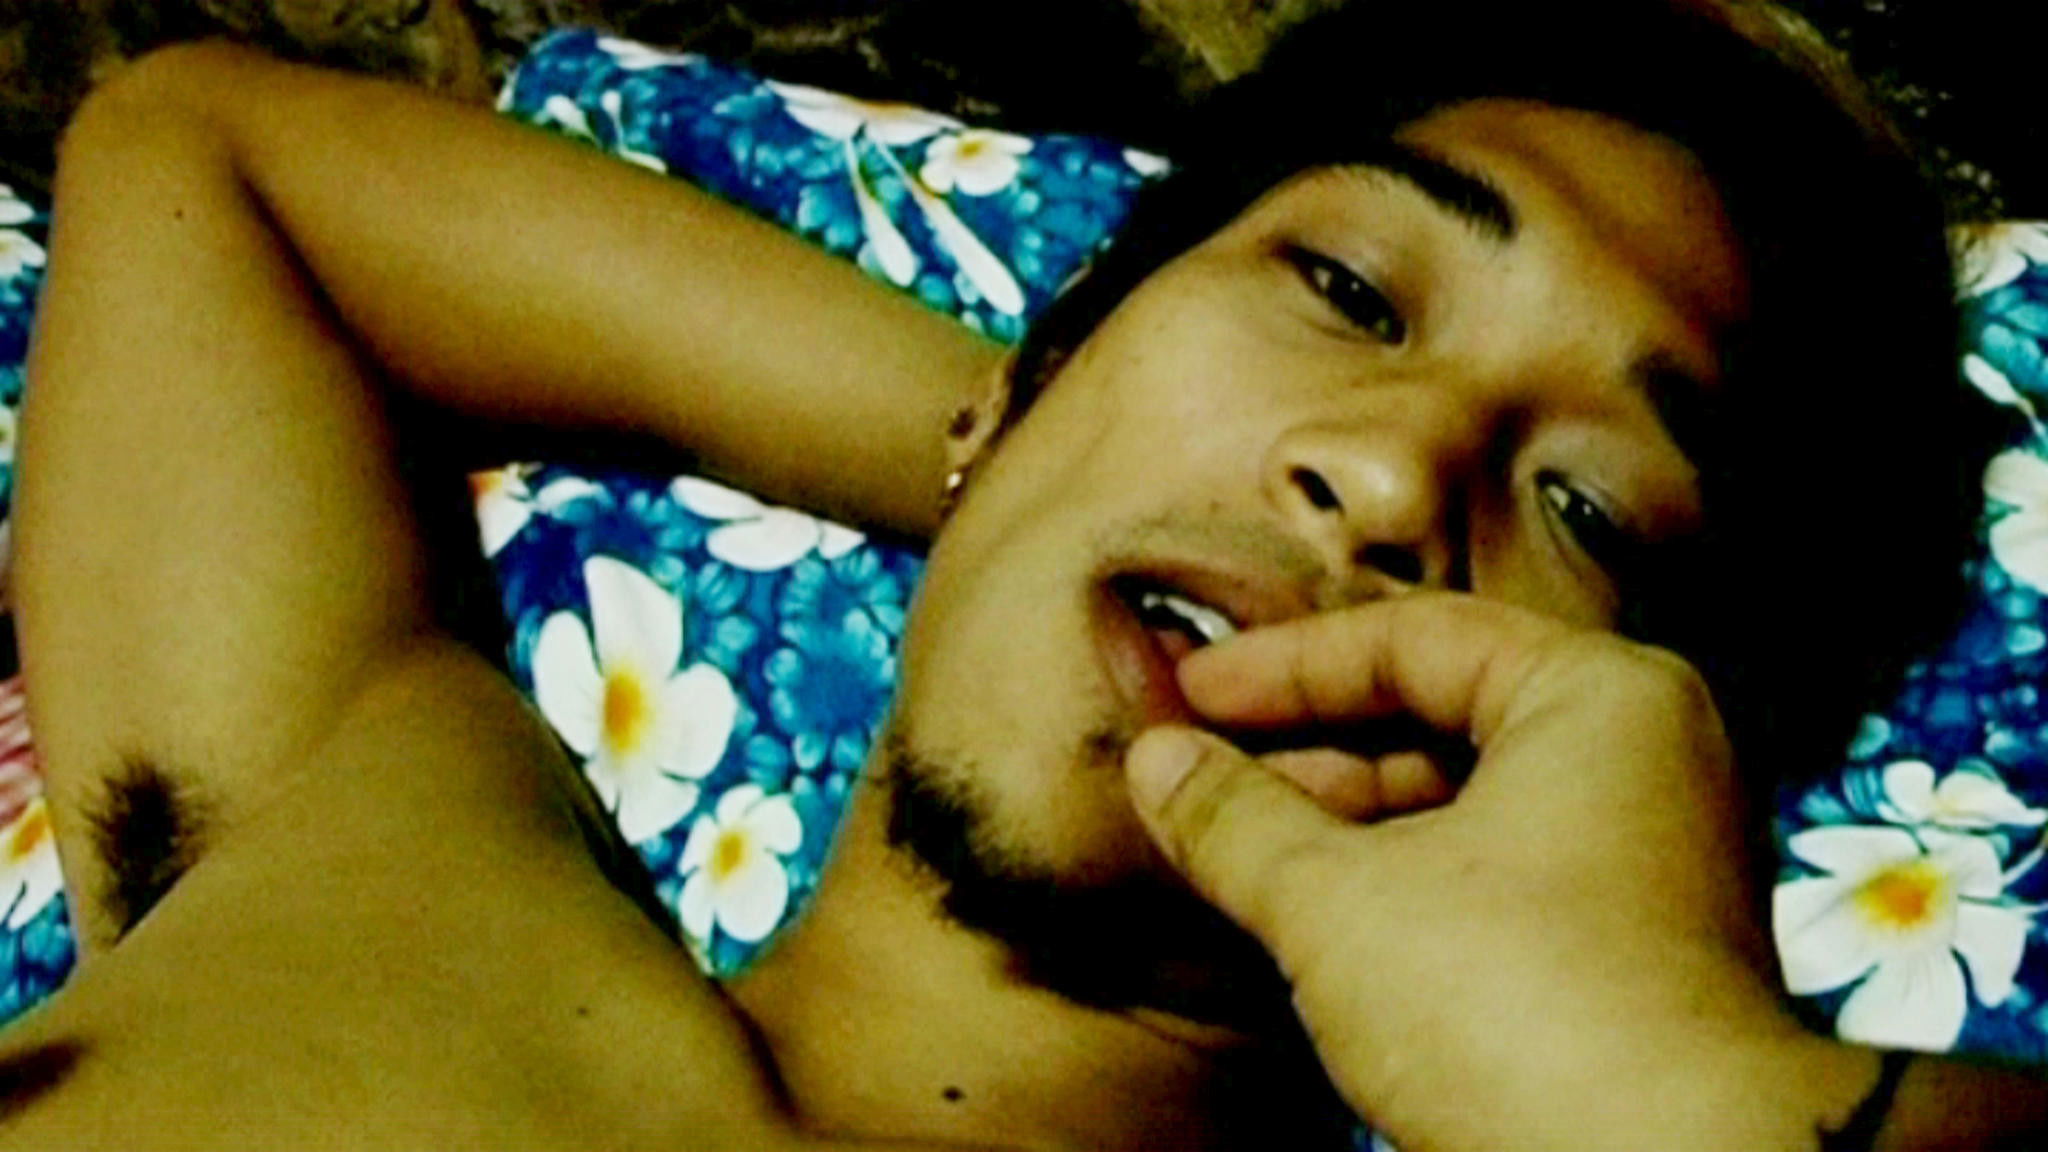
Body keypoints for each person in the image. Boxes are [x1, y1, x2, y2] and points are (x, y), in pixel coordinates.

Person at [0, 1, 2040, 1149]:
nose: (1388, 467)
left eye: (1591, 512)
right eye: (1344, 289)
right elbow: (204, 162)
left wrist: (1669, 1088)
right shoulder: (372, 837)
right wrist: (1034, 453)